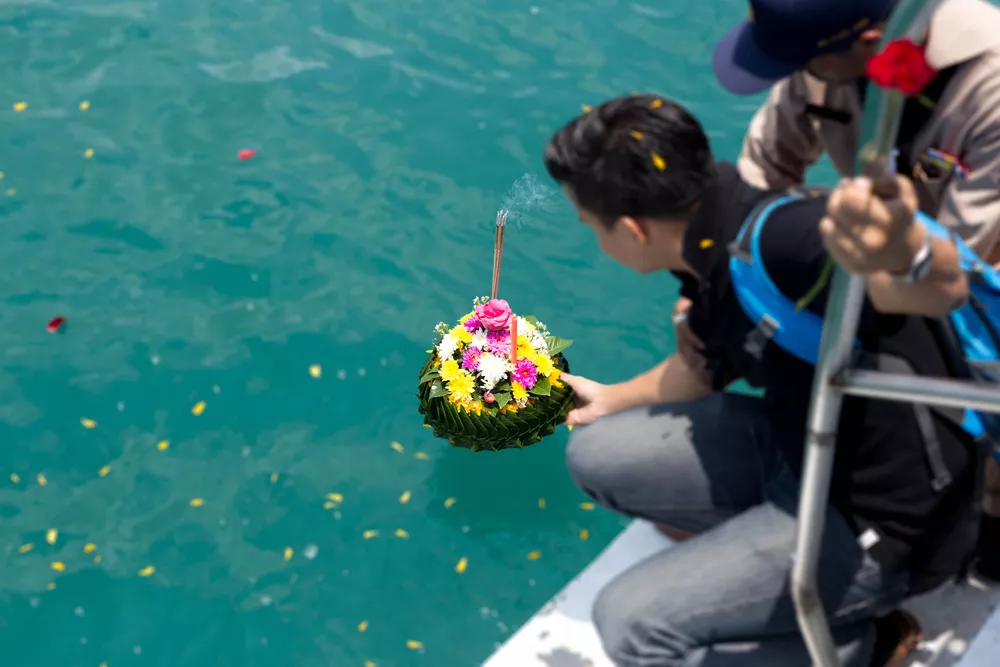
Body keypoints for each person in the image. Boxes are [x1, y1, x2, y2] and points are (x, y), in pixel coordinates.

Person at [544, 94, 983, 667]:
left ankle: (857, 644)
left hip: (888, 523)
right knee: (597, 455)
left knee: (631, 627)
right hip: (802, 450)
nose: (597, 243)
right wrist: (610, 399)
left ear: (632, 229)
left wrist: (910, 255)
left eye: (591, 226)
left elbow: (917, 293)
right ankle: (754, 571)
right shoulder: (713, 227)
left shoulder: (790, 242)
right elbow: (700, 368)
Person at [710, 0, 1000, 583]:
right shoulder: (821, 57)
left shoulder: (990, 90)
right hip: (894, 269)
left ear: (871, 41)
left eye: (807, 64)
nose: (799, 78)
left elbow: (968, 267)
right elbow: (764, 169)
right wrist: (723, 284)